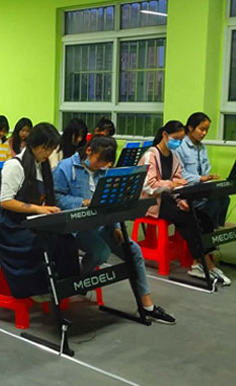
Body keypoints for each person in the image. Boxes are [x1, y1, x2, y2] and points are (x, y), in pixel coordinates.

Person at [54, 135, 176, 324]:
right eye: (99, 160)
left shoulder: (104, 172)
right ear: (89, 151)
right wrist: (81, 202)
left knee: (133, 250)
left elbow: (111, 202)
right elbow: (56, 198)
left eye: (106, 163)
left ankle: (147, 306)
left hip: (102, 225)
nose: (102, 166)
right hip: (76, 227)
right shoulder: (65, 168)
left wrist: (117, 226)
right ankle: (78, 279)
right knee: (100, 251)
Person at [0, 122, 78, 302]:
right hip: (10, 226)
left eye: (51, 149)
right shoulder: (14, 165)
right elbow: (5, 201)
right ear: (34, 143)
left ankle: (63, 285)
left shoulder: (42, 166)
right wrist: (39, 208)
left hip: (32, 221)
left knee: (66, 240)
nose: (48, 153)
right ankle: (35, 288)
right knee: (42, 243)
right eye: (45, 148)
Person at [139, 120, 230, 285]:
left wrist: (181, 199)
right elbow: (148, 186)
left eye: (181, 140)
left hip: (168, 199)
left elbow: (179, 181)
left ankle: (203, 260)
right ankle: (203, 264)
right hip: (152, 202)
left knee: (202, 217)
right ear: (165, 135)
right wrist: (171, 184)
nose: (179, 143)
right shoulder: (150, 156)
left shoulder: (173, 156)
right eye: (176, 139)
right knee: (188, 220)